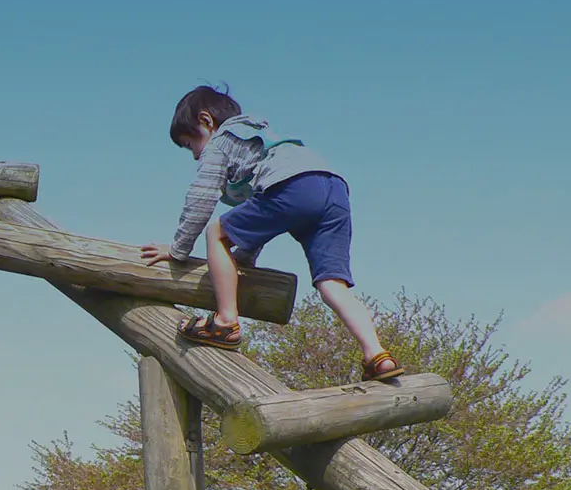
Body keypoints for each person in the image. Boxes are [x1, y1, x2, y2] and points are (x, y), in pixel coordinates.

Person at [139, 86, 404, 382]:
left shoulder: (222, 141)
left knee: (216, 230)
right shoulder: (261, 140)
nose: (194, 155)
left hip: (295, 186)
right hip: (334, 188)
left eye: (191, 144)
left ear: (206, 121)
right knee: (332, 283)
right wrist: (244, 257)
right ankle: (377, 355)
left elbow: (201, 200)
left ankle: (226, 320)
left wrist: (178, 249)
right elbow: (261, 217)